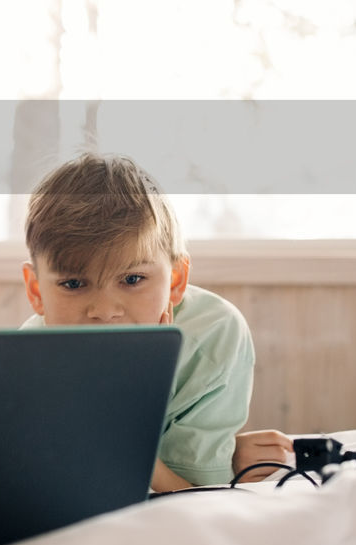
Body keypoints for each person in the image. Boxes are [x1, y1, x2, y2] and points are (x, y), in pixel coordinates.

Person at [20, 153, 293, 491]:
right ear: (36, 291)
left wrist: (117, 438)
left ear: (176, 280)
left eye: (132, 279)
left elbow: (193, 494)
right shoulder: (27, 356)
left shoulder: (212, 336)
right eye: (74, 284)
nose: (104, 311)